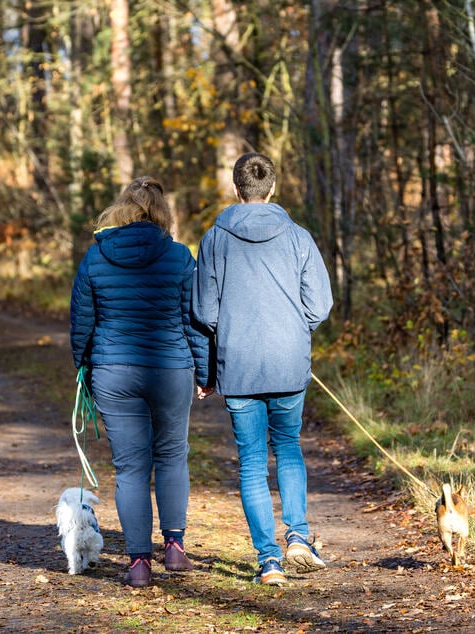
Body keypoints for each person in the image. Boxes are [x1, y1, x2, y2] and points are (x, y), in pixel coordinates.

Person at [192, 152, 333, 586]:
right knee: (288, 446)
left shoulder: (215, 239)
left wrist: (218, 356)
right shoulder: (298, 236)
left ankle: (269, 561)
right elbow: (321, 305)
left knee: (252, 461)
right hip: (289, 362)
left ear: (237, 189)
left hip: (239, 365)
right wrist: (292, 329)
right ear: (272, 189)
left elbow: (203, 310)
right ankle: (298, 536)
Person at [69, 176, 211, 588]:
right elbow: (195, 322)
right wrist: (205, 372)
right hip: (170, 369)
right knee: (171, 456)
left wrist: (84, 368)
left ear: (120, 210)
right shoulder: (180, 257)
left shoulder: (96, 258)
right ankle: (175, 548)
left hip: (114, 372)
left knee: (130, 468)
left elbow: (82, 323)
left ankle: (137, 564)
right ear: (162, 214)